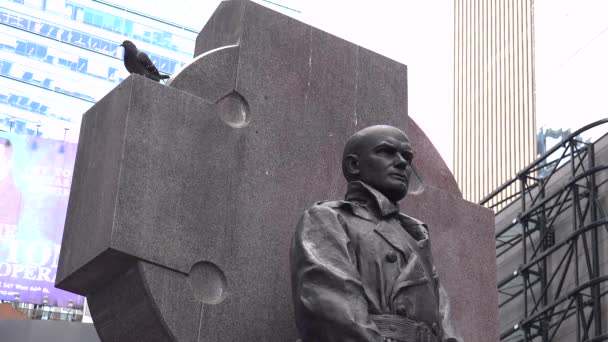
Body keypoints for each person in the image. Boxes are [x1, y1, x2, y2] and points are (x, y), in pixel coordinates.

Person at [290, 125, 460, 342]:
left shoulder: (416, 237)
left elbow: (446, 324)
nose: (402, 162)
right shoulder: (328, 218)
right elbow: (331, 309)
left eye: (407, 157)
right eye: (386, 152)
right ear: (354, 165)